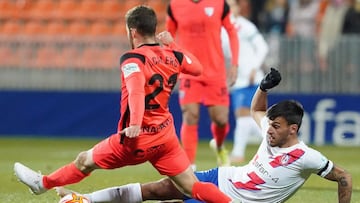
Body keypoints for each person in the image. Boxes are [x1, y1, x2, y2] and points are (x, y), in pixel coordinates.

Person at [13, 5, 233, 203]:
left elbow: (136, 88)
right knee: (191, 186)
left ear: (133, 31)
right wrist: (173, 44)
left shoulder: (132, 58)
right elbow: (197, 68)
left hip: (137, 139)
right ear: (153, 29)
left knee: (84, 161)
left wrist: (136, 122)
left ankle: (42, 184)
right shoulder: (172, 55)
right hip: (166, 136)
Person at [56, 68, 352, 203]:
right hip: (224, 179)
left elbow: (344, 177)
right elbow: (258, 112)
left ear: (293, 130)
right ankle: (83, 200)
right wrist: (263, 87)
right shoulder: (270, 131)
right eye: (270, 124)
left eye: (276, 126)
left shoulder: (307, 157)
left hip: (234, 200)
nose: (269, 129)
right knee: (159, 189)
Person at [166, 0, 240, 168]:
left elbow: (232, 32)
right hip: (188, 71)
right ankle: (189, 166)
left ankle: (220, 147)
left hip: (215, 72)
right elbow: (168, 37)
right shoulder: (175, 5)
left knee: (221, 119)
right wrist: (172, 67)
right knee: (190, 116)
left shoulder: (220, 4)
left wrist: (234, 64)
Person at [221, 0, 269, 164]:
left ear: (238, 7)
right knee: (252, 119)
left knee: (244, 115)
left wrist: (255, 67)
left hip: (250, 77)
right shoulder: (220, 28)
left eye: (232, 5)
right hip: (236, 79)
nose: (230, 8)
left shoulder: (245, 26)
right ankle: (278, 142)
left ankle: (238, 153)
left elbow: (262, 46)